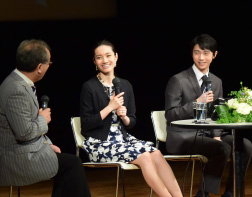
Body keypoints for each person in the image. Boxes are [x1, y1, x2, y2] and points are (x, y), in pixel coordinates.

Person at [80, 39, 183, 197]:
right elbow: (86, 124)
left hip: (123, 139)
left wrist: (124, 117)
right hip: (99, 143)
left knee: (155, 152)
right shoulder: (89, 87)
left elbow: (131, 122)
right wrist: (109, 107)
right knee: (144, 157)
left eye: (108, 55)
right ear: (94, 61)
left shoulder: (125, 85)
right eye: (99, 57)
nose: (105, 60)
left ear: (116, 57)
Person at [0, 39, 91, 197]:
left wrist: (47, 145)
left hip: (26, 150)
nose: (49, 66)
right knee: (73, 165)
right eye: (49, 62)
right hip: (17, 158)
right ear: (40, 67)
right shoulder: (16, 90)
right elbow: (24, 133)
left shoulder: (18, 82)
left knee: (68, 164)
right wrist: (43, 119)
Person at [164, 34, 252, 197]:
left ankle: (231, 192)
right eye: (197, 52)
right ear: (192, 54)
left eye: (206, 53)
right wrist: (197, 103)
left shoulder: (216, 81)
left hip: (207, 135)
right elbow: (170, 114)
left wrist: (217, 134)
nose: (201, 57)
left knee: (245, 145)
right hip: (182, 137)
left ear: (214, 55)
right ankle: (203, 193)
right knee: (222, 148)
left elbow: (216, 114)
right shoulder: (178, 80)